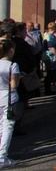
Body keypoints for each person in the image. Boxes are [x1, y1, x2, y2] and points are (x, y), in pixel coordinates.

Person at [0, 39, 19, 168]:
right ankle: (2, 157)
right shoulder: (12, 65)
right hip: (8, 99)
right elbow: (14, 85)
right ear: (11, 50)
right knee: (7, 127)